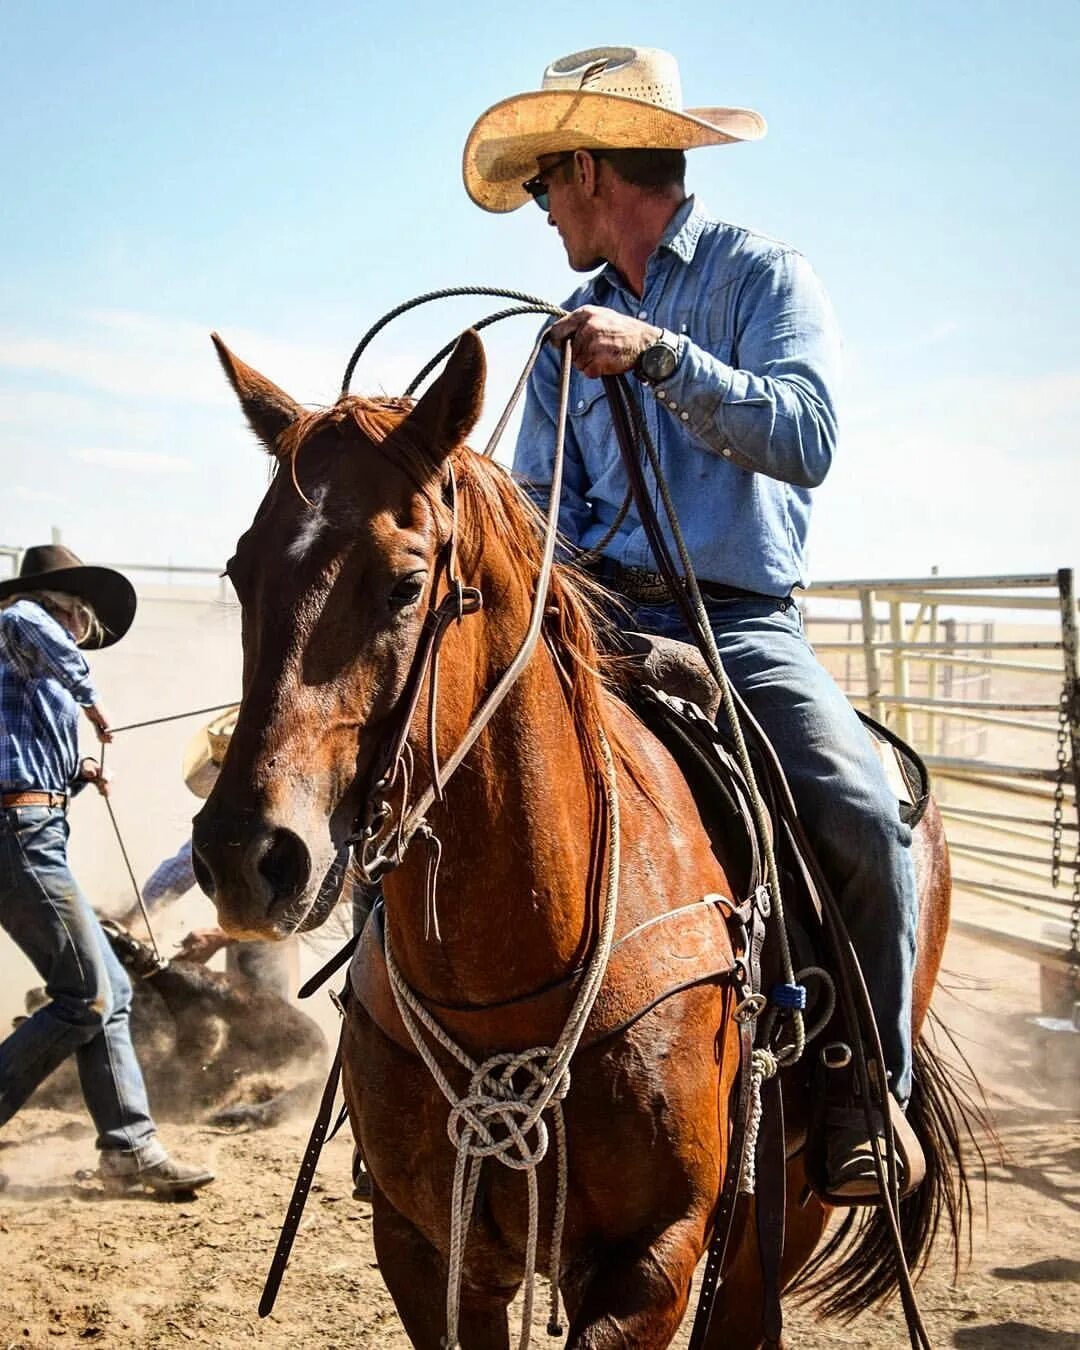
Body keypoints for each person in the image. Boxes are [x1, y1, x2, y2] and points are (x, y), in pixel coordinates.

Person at [463, 46, 919, 1197]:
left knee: (860, 811)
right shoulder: (569, 325)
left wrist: (664, 358)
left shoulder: (761, 280)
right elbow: (541, 504)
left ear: (586, 171)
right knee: (441, 763)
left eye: (540, 190)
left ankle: (868, 1089)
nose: (538, 213)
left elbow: (805, 438)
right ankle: (420, 1075)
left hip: (738, 620)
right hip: (602, 618)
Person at [0, 544, 214, 1195]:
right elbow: (26, 624)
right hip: (20, 832)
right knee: (89, 994)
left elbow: (28, 752)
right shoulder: (19, 623)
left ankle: (130, 1148)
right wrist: (93, 702)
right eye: (82, 626)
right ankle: (129, 1146)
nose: (82, 639)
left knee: (109, 991)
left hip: (32, 830)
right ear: (64, 610)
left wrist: (80, 770)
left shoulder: (29, 669)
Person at [125, 708, 298, 999]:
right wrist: (135, 919)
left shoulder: (289, 823)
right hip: (245, 930)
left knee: (266, 1014)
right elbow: (183, 865)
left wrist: (219, 937)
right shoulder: (231, 820)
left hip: (273, 937)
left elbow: (301, 902)